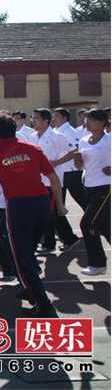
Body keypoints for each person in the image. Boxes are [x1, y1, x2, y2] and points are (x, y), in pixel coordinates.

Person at [0, 113, 66, 317]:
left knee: (22, 258)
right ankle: (31, 289)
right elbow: (52, 177)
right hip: (43, 204)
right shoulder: (33, 149)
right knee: (27, 254)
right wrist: (59, 205)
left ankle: (44, 305)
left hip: (19, 207)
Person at [30, 108, 81, 254]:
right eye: (33, 118)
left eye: (37, 118)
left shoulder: (57, 136)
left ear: (46, 121)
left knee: (49, 212)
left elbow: (73, 151)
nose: (33, 121)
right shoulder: (33, 136)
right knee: (49, 212)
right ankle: (66, 239)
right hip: (38, 181)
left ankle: (53, 242)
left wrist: (57, 162)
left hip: (53, 181)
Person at [74, 109, 111, 276]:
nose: (86, 123)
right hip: (89, 186)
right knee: (104, 226)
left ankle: (97, 264)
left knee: (87, 223)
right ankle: (99, 264)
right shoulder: (83, 141)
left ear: (103, 122)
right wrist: (78, 160)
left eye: (90, 120)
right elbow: (80, 166)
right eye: (86, 120)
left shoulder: (109, 140)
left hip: (106, 187)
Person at [53, 107, 88, 216]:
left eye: (57, 116)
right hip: (59, 172)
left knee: (83, 200)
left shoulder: (70, 132)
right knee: (57, 204)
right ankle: (65, 232)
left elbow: (75, 151)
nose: (54, 118)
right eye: (54, 116)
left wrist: (57, 162)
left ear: (65, 118)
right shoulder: (54, 131)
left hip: (71, 171)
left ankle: (98, 221)